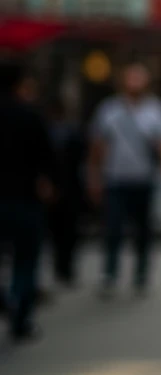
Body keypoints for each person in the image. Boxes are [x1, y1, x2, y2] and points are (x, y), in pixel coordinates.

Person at [88, 62, 161, 296]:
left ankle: (141, 272)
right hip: (115, 178)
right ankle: (109, 273)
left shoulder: (157, 111)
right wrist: (94, 176)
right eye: (130, 78)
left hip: (144, 179)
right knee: (113, 228)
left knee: (143, 229)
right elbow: (98, 146)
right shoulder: (109, 110)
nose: (134, 83)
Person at [0, 62, 55, 342]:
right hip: (24, 199)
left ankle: (7, 298)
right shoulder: (30, 116)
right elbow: (47, 160)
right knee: (25, 261)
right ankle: (19, 313)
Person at [47, 99, 88, 288]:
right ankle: (65, 268)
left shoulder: (54, 132)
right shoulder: (70, 132)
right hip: (68, 188)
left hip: (59, 188)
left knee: (62, 231)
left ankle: (62, 267)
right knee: (67, 231)